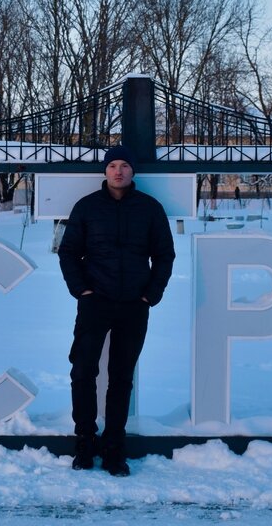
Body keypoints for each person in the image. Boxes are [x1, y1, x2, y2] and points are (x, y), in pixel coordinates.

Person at [58, 144, 175, 476]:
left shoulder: (150, 209)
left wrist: (150, 295)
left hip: (133, 305)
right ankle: (84, 442)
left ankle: (114, 447)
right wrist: (82, 290)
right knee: (83, 370)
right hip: (95, 302)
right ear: (105, 171)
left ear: (133, 171)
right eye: (113, 165)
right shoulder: (87, 207)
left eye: (125, 164)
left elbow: (165, 255)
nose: (118, 170)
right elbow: (68, 252)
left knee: (121, 378)